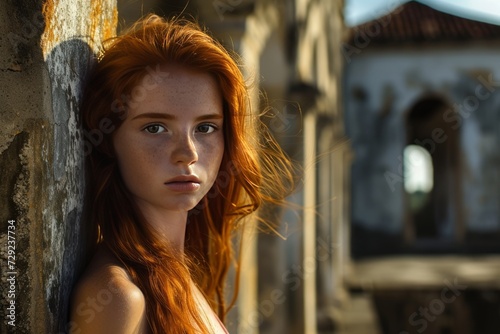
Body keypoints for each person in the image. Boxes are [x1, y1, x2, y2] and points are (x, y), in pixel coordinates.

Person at [70, 14, 295, 333]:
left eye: (205, 127)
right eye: (155, 127)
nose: (188, 153)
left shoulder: (175, 271)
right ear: (108, 140)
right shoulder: (118, 300)